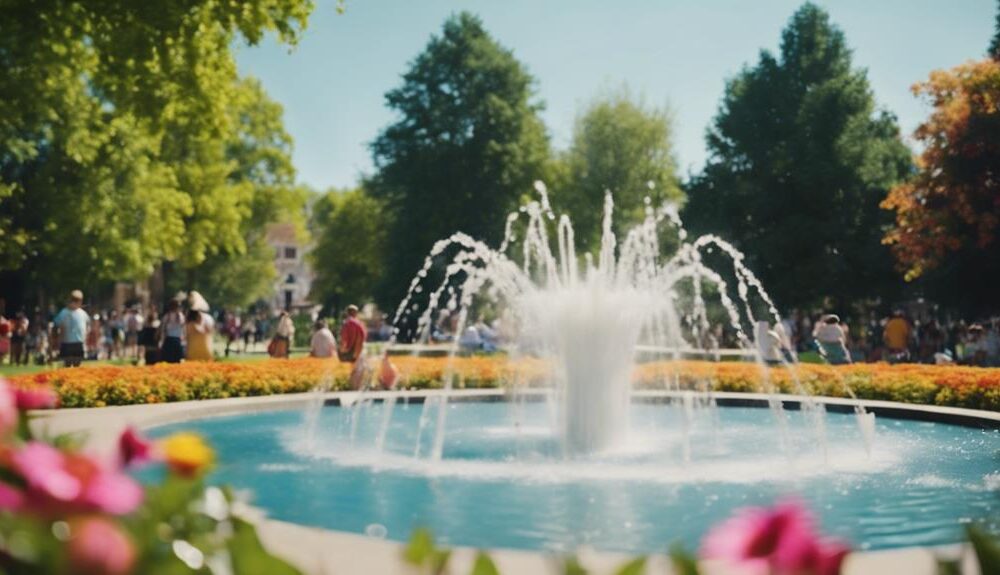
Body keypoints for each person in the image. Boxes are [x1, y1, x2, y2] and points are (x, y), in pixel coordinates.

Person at [52, 290, 90, 367]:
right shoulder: (64, 312)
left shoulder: (82, 313)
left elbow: (87, 326)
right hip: (67, 343)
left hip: (78, 342)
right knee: (68, 365)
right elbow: (55, 326)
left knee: (76, 365)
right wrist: (55, 341)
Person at [339, 305, 368, 389]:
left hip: (352, 349)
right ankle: (357, 387)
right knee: (360, 369)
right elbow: (362, 336)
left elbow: (344, 338)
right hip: (358, 348)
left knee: (355, 369)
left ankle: (354, 387)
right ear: (354, 312)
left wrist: (343, 349)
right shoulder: (357, 322)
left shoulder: (347, 323)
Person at [161, 299, 186, 364]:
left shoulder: (167, 316)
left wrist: (162, 340)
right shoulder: (180, 316)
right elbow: (183, 328)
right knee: (177, 360)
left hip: (169, 339)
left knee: (168, 359)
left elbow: (163, 329)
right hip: (177, 339)